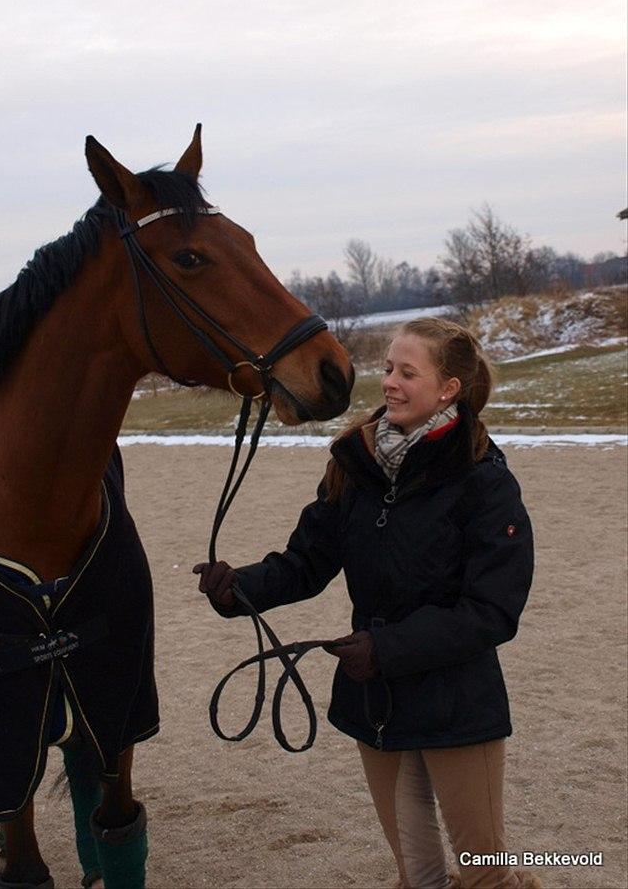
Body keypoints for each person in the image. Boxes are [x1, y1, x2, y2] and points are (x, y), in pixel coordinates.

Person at [193, 317, 542, 889]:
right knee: (418, 873)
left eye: (408, 372)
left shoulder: (484, 479)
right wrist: (240, 589)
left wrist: (387, 647)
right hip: (374, 699)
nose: (390, 383)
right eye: (387, 369)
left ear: (449, 389)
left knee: (487, 873)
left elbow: (493, 610)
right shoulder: (353, 464)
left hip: (457, 702)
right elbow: (306, 562)